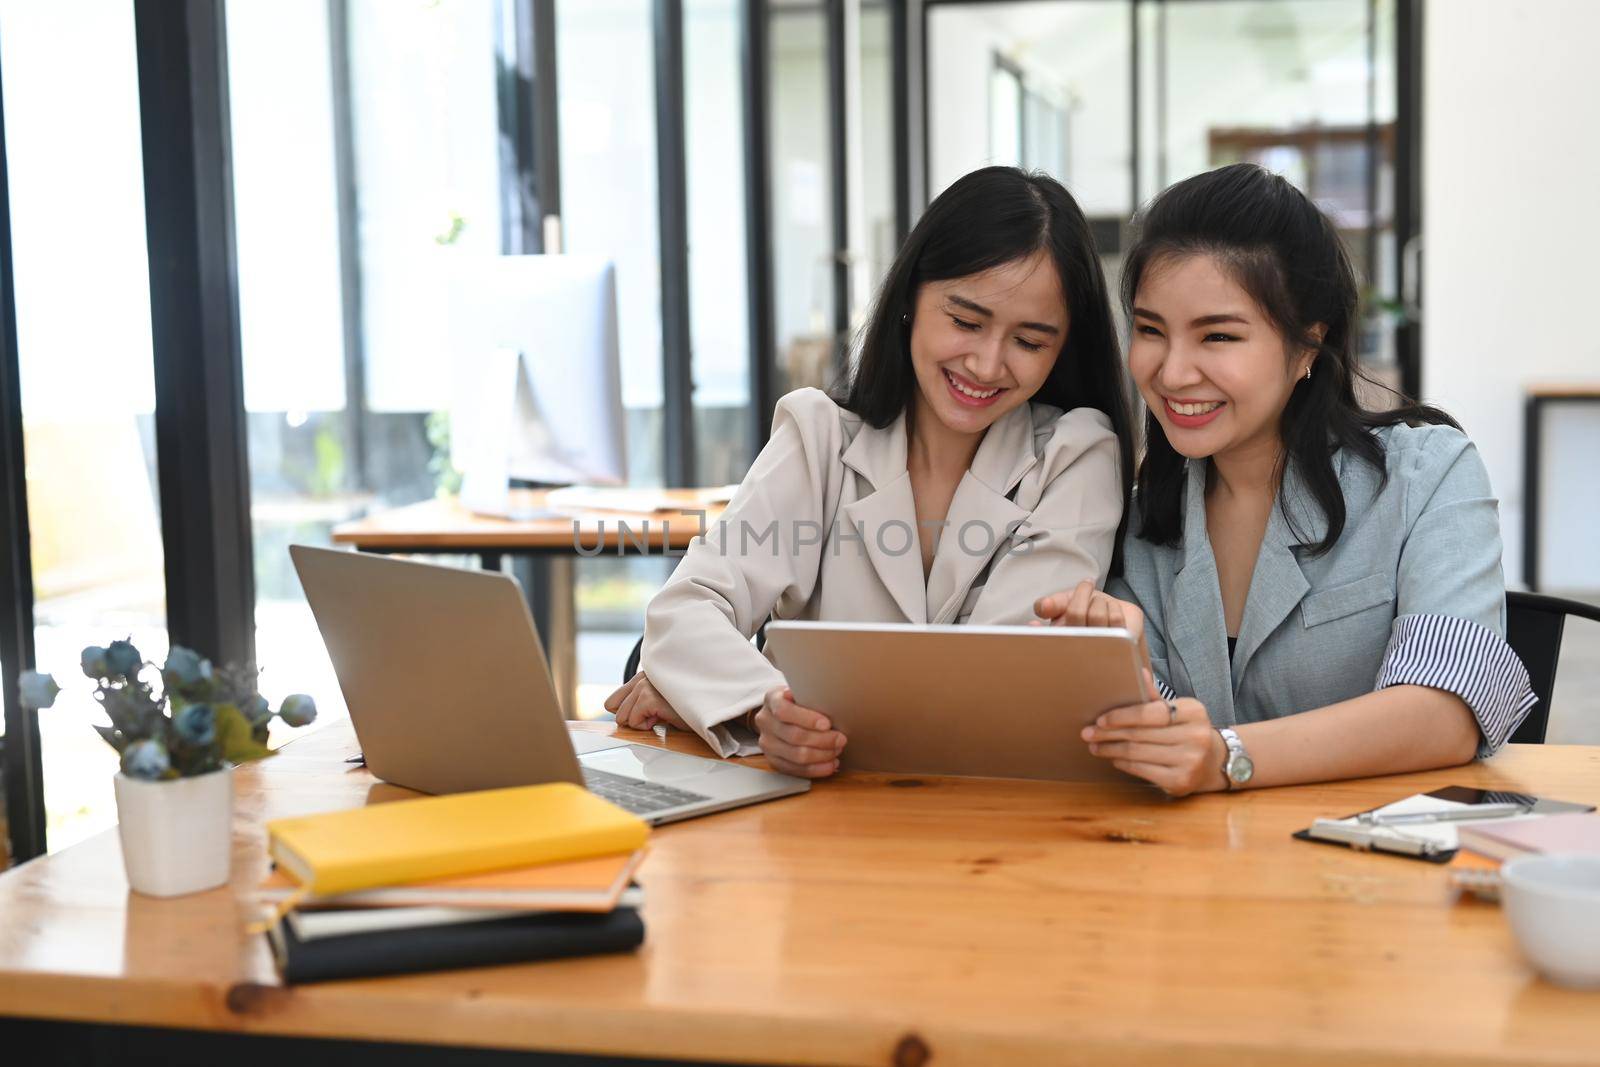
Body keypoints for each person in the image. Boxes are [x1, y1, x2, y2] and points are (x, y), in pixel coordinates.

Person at [607, 166, 1135, 776]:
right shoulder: (818, 435)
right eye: (965, 322)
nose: (988, 364)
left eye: (1030, 341)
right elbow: (684, 611)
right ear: (911, 297)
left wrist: (703, 688)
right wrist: (764, 710)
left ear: (1063, 346)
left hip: (987, 821)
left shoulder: (1077, 454)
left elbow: (997, 685)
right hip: (810, 825)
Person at [1036, 163, 1534, 796]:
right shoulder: (1136, 520)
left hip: (1377, 874)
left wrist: (1227, 757)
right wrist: (1113, 670)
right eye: (1151, 330)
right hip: (1194, 875)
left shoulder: (1429, 474)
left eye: (1218, 335)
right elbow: (1160, 743)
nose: (1173, 371)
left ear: (1306, 346)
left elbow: (1448, 713)